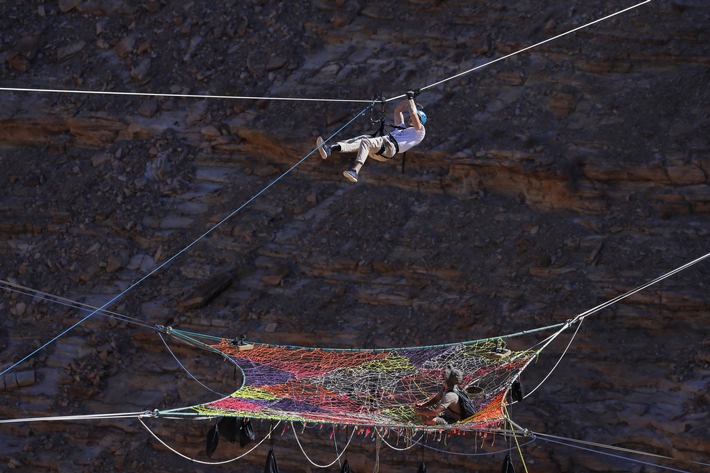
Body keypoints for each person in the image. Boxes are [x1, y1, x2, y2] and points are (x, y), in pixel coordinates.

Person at [316, 91, 427, 183]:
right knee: (362, 139)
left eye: (416, 118)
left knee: (366, 142)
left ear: (420, 121)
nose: (411, 118)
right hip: (383, 149)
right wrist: (408, 99)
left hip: (388, 148)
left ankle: (355, 171)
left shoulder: (420, 132)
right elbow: (397, 111)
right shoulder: (401, 128)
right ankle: (330, 149)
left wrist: (412, 99)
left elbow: (412, 113)